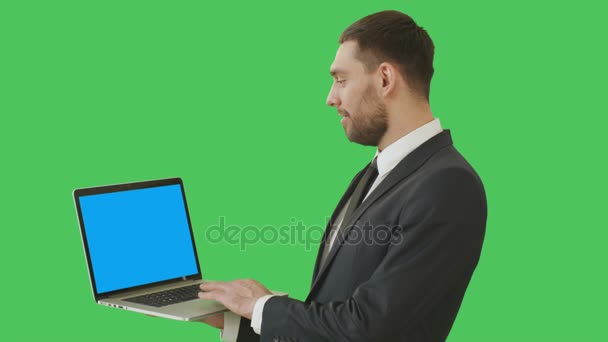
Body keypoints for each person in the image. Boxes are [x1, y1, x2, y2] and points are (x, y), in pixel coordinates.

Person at [197, 10, 487, 342]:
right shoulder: (374, 174)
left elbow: (370, 327)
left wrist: (263, 307)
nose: (330, 98)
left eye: (341, 79)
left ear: (385, 79)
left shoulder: (448, 185)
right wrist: (242, 321)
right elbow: (337, 314)